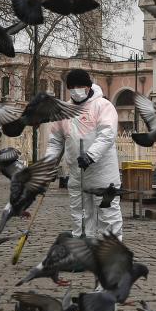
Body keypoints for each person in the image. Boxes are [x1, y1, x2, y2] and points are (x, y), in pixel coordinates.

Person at [46, 69, 123, 239]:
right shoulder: (63, 111)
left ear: (88, 87)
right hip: (76, 173)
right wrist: (49, 165)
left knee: (107, 214)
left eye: (80, 86)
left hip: (102, 173)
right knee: (80, 214)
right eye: (72, 86)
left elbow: (107, 134)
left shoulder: (103, 106)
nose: (76, 89)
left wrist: (91, 156)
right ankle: (84, 250)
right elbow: (55, 142)